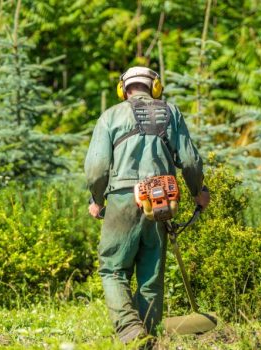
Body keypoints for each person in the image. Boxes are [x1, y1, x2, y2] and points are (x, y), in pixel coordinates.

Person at [84, 66, 210, 344]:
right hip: (161, 198)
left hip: (122, 198)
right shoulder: (171, 112)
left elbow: (96, 169)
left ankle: (130, 330)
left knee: (113, 269)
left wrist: (97, 199)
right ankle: (148, 338)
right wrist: (197, 191)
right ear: (154, 86)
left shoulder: (110, 116)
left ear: (123, 88)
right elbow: (189, 161)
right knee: (151, 274)